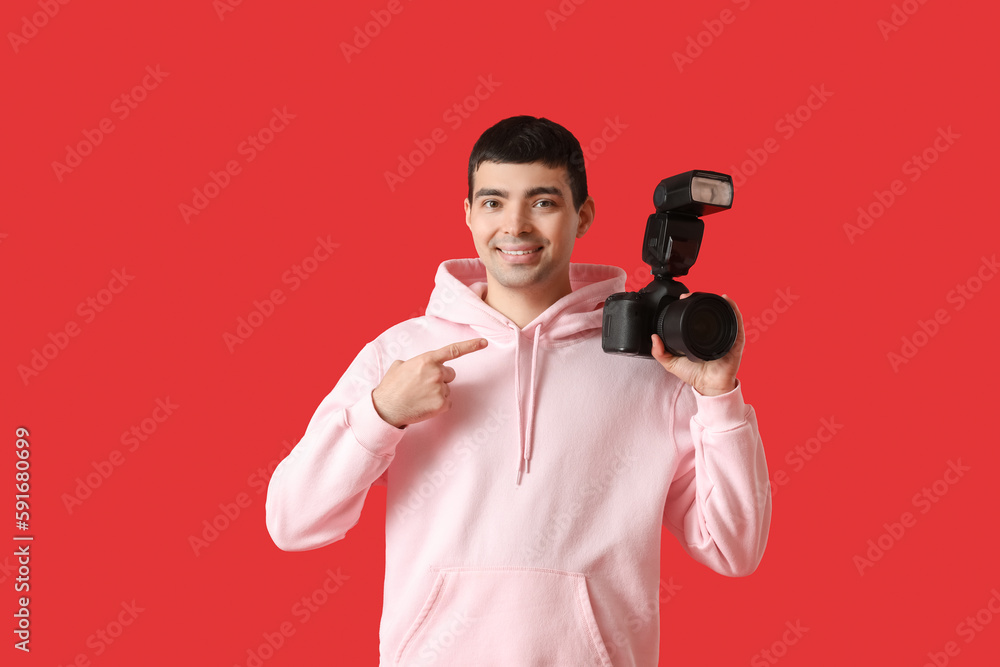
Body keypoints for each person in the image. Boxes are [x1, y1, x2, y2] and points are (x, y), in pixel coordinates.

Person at [265, 115, 771, 666]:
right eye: (492, 202)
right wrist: (381, 414)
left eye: (543, 202)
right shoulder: (402, 354)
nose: (515, 225)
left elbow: (733, 549)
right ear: (467, 215)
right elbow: (294, 522)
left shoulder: (652, 365)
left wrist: (720, 400)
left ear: (584, 215)